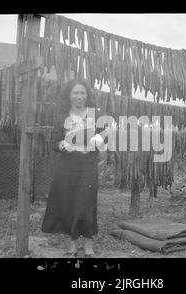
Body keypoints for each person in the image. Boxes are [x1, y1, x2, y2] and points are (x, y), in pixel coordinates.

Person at [41, 79, 106, 257]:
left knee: (86, 201)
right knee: (69, 201)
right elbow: (53, 142)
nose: (79, 96)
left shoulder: (95, 114)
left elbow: (106, 132)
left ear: (87, 95)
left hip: (88, 164)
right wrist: (62, 145)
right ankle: (71, 242)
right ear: (69, 95)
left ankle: (88, 243)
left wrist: (101, 138)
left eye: (82, 93)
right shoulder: (61, 116)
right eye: (75, 93)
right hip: (67, 164)